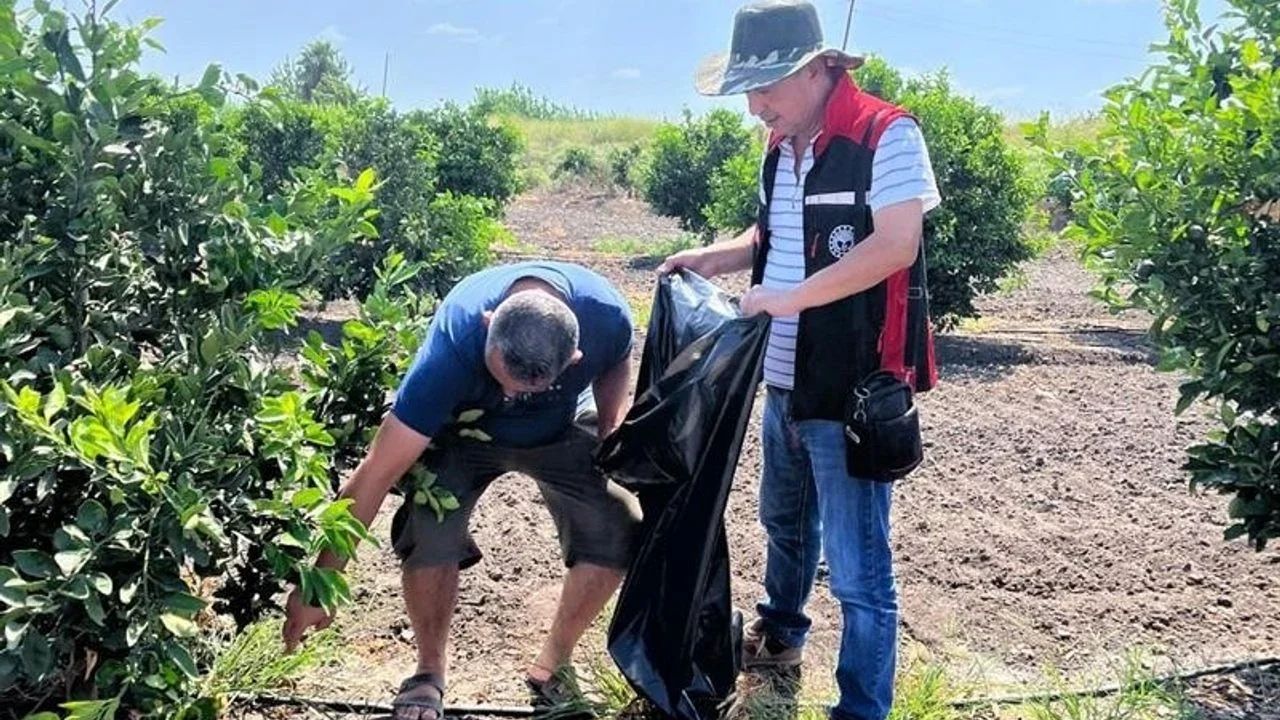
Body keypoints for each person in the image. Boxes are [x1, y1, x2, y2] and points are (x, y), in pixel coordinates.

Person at [659, 2, 942, 718]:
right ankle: (781, 636)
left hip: (849, 390)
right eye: (748, 92)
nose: (756, 107)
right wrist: (712, 259)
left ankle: (861, 707)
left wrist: (789, 300)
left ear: (820, 70)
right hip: (781, 382)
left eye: (768, 88)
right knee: (784, 523)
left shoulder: (887, 135)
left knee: (858, 569)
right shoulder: (780, 147)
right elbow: (772, 232)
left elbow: (894, 244)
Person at [281, 260, 642, 720]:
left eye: (524, 390)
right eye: (501, 380)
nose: (510, 396)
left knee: (615, 525)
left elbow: (617, 355)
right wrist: (321, 584)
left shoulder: (605, 317)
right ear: (489, 323)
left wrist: (612, 421)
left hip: (560, 426)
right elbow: (376, 473)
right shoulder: (452, 348)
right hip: (466, 429)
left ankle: (553, 665)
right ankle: (428, 673)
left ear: (574, 360)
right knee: (430, 527)